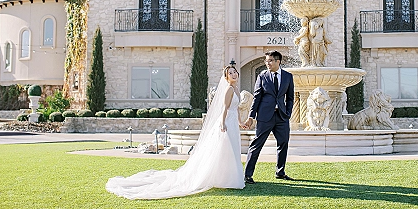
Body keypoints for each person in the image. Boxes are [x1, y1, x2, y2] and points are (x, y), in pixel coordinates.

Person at [105, 65, 245, 199]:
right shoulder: (229, 90)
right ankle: (225, 178)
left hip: (233, 123)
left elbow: (236, 108)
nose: (234, 74)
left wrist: (240, 123)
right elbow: (225, 109)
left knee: (231, 149)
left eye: (234, 72)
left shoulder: (236, 89)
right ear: (226, 77)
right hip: (226, 122)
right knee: (224, 150)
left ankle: (228, 177)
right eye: (230, 73)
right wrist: (222, 124)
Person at [244, 50, 294, 184]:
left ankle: (280, 171)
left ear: (278, 61)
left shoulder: (288, 76)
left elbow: (290, 98)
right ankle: (248, 175)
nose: (267, 63)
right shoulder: (262, 76)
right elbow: (257, 97)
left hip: (282, 117)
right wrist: (251, 116)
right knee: (256, 145)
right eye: (266, 61)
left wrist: (288, 113)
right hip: (265, 117)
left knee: (283, 143)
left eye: (270, 60)